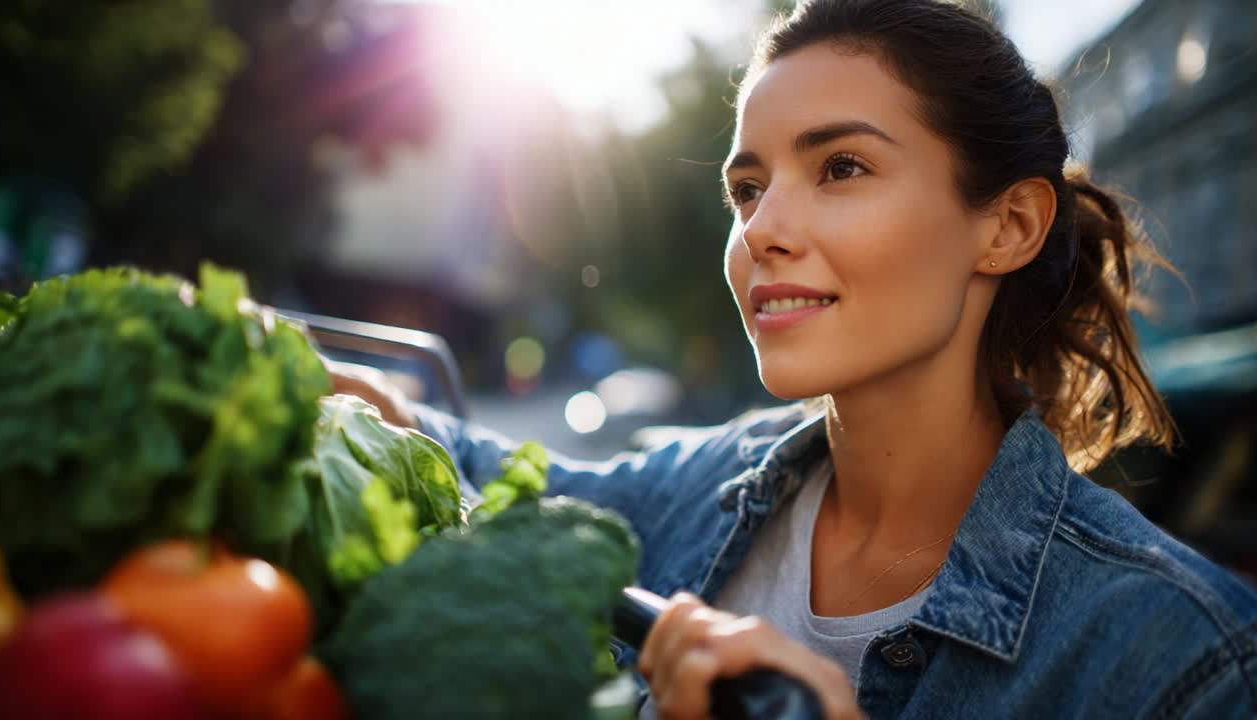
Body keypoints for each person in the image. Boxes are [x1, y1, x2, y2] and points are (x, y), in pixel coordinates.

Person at [329, 0, 1257, 717]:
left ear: (1007, 225)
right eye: (747, 187)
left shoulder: (1183, 653)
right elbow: (501, 486)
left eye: (841, 167)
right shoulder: (709, 483)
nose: (761, 229)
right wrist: (351, 401)